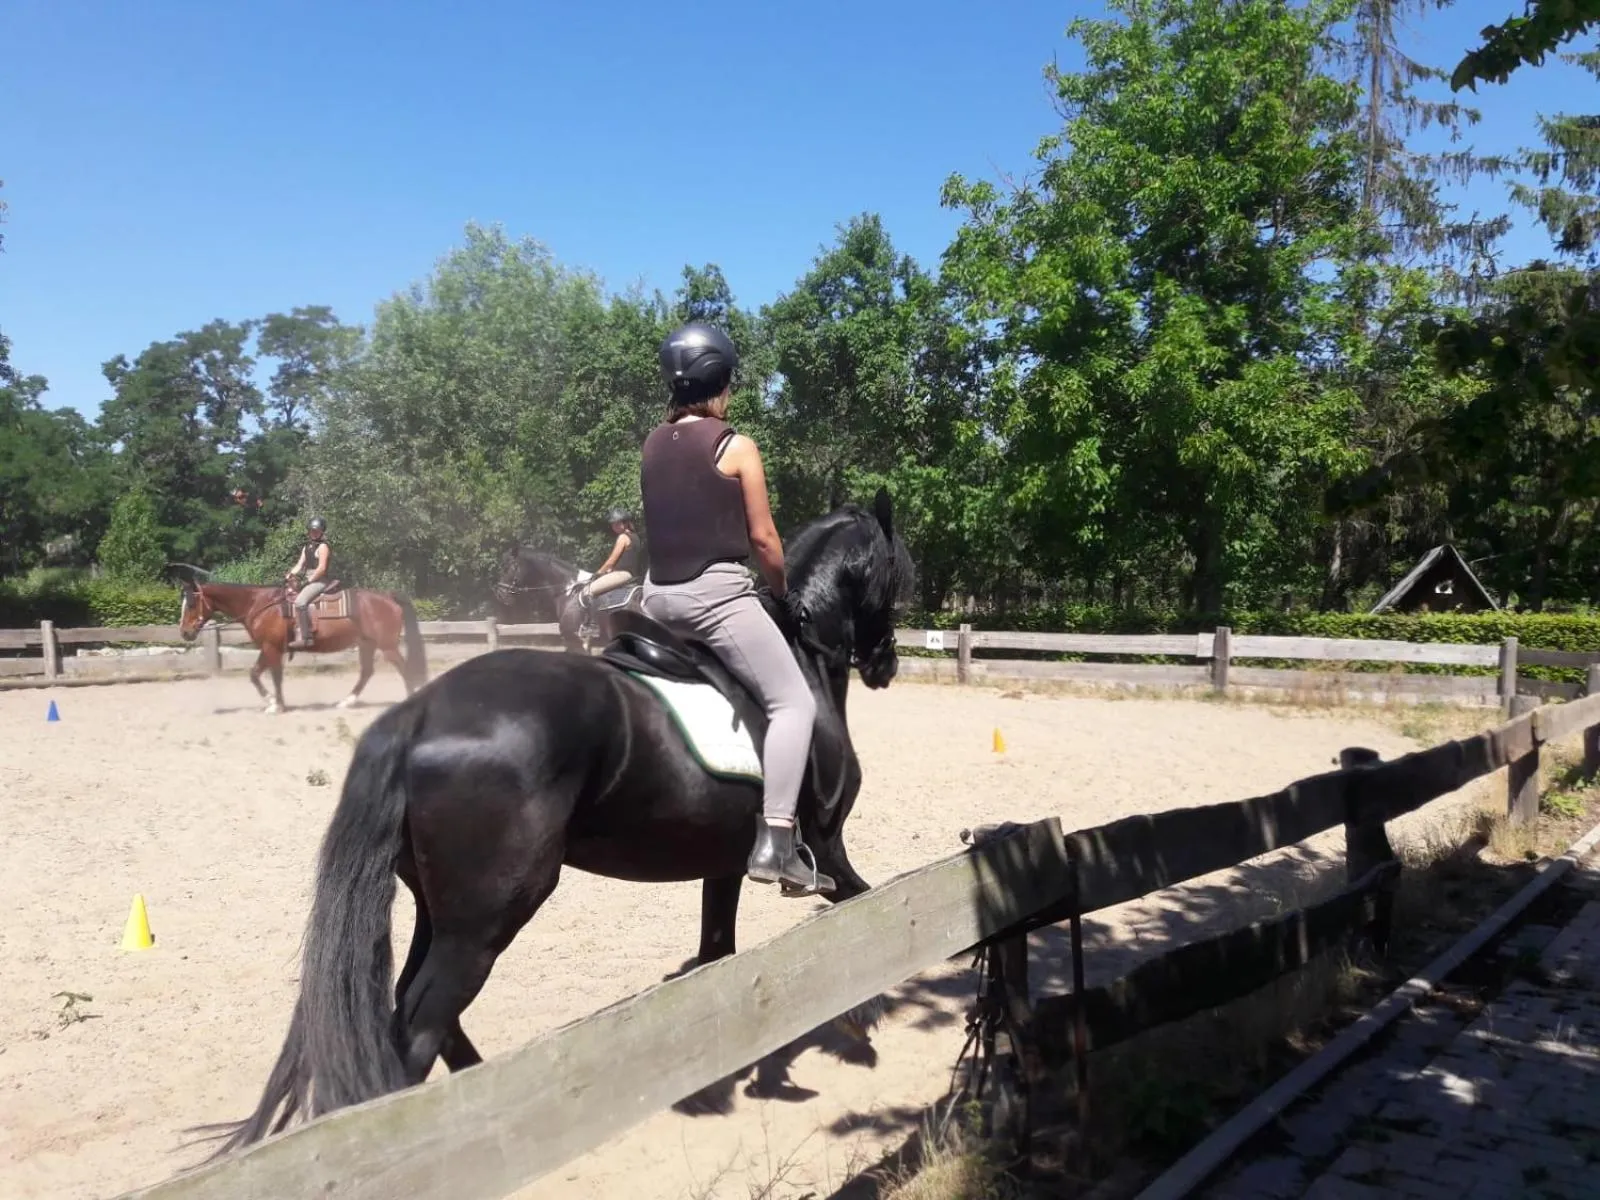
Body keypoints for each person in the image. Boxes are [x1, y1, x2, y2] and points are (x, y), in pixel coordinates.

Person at [638, 320, 828, 894]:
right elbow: (766, 542)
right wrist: (780, 594)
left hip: (655, 599)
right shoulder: (735, 445)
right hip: (712, 599)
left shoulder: (650, 443)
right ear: (720, 380)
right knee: (794, 703)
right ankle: (776, 841)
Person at [576, 508, 642, 633]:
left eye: (617, 523)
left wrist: (599, 573)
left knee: (588, 590)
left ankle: (592, 625)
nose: (614, 526)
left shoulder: (623, 537)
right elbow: (623, 560)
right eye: (612, 524)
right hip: (628, 574)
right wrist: (610, 570)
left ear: (625, 523)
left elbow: (611, 560)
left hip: (622, 574)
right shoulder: (636, 537)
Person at [284, 517, 332, 648]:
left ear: (322, 532)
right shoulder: (307, 547)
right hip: (308, 579)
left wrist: (307, 581)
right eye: (312, 530)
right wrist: (290, 575)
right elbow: (299, 564)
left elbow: (321, 568)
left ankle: (306, 637)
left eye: (316, 531)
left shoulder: (323, 547)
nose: (313, 533)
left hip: (320, 581)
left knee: (300, 602)